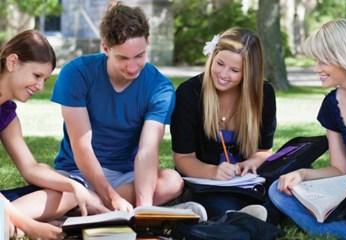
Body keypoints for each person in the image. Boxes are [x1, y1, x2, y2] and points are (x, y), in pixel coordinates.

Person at [51, 2, 183, 212]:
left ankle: (83, 208)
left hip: (126, 175)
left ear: (148, 42)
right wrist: (112, 198)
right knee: (61, 192)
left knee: (172, 181)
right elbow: (82, 148)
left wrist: (144, 210)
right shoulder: (76, 73)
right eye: (122, 58)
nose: (132, 67)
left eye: (139, 56)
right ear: (105, 48)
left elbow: (147, 152)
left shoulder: (160, 87)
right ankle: (89, 205)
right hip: (78, 170)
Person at [0, 30, 108, 239]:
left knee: (69, 195)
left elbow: (30, 168)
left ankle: (8, 222)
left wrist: (74, 186)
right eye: (36, 75)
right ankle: (12, 223)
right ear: (12, 62)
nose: (40, 87)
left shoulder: (7, 115)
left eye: (45, 79)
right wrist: (31, 227)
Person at [268, 19, 346, 240]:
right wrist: (302, 174)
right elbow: (339, 169)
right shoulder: (332, 105)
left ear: (344, 57)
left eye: (322, 61)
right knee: (279, 189)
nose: (316, 69)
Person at [170, 27, 277, 218]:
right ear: (212, 57)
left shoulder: (264, 94)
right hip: (205, 182)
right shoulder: (189, 93)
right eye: (219, 63)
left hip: (245, 183)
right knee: (220, 204)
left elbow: (263, 151)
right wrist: (213, 172)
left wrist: (252, 162)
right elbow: (183, 158)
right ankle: (239, 216)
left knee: (285, 185)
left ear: (249, 73)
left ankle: (243, 214)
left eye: (235, 70)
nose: (223, 74)